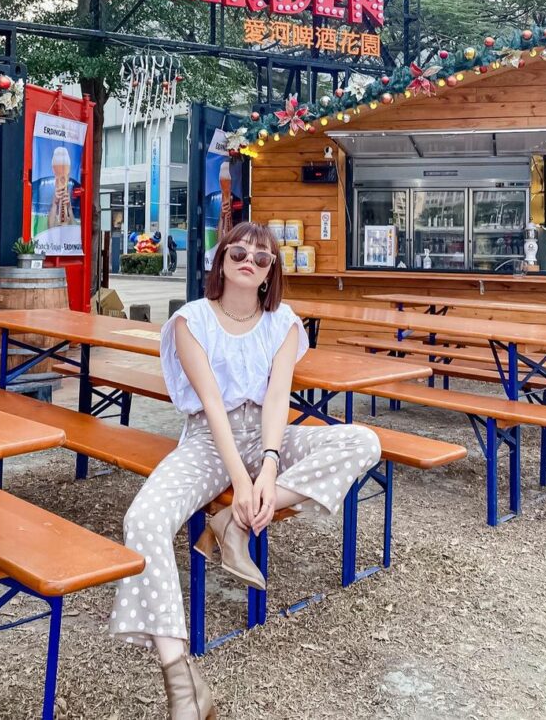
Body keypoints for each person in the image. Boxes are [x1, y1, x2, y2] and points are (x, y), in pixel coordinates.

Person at [109, 221, 381, 719]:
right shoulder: (192, 321)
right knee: (143, 521)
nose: (249, 262)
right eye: (239, 253)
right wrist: (240, 478)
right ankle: (183, 687)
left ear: (270, 271)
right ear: (222, 259)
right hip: (210, 444)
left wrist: (269, 471)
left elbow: (279, 397)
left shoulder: (283, 323)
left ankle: (231, 523)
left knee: (363, 439)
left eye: (261, 258)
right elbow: (211, 404)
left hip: (269, 436)